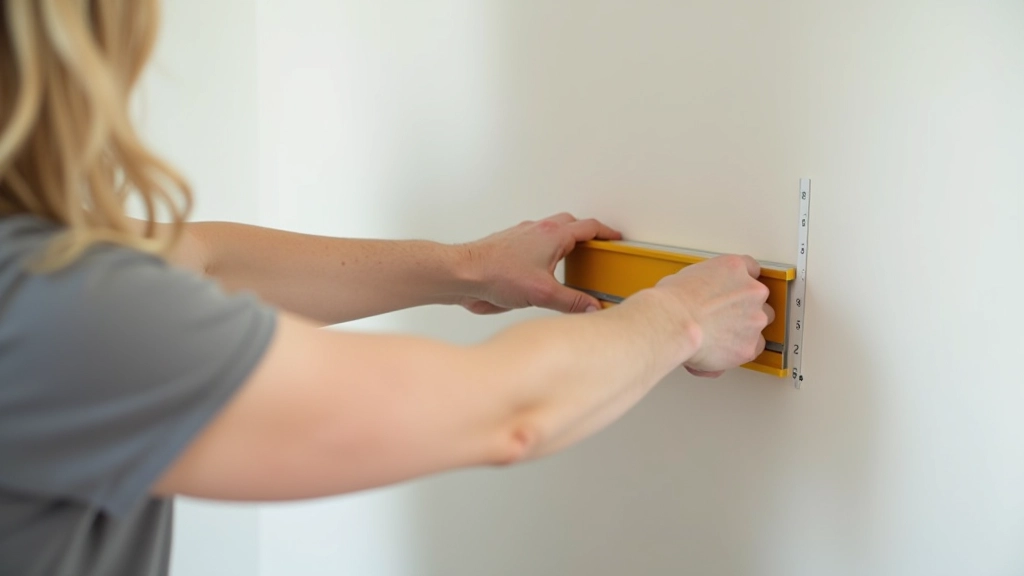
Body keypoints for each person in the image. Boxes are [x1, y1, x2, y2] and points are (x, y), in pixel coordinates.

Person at [0, 2, 773, 575]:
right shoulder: (54, 305)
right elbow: (505, 412)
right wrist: (680, 318)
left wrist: (463, 266)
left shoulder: (44, 274)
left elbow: (203, 261)